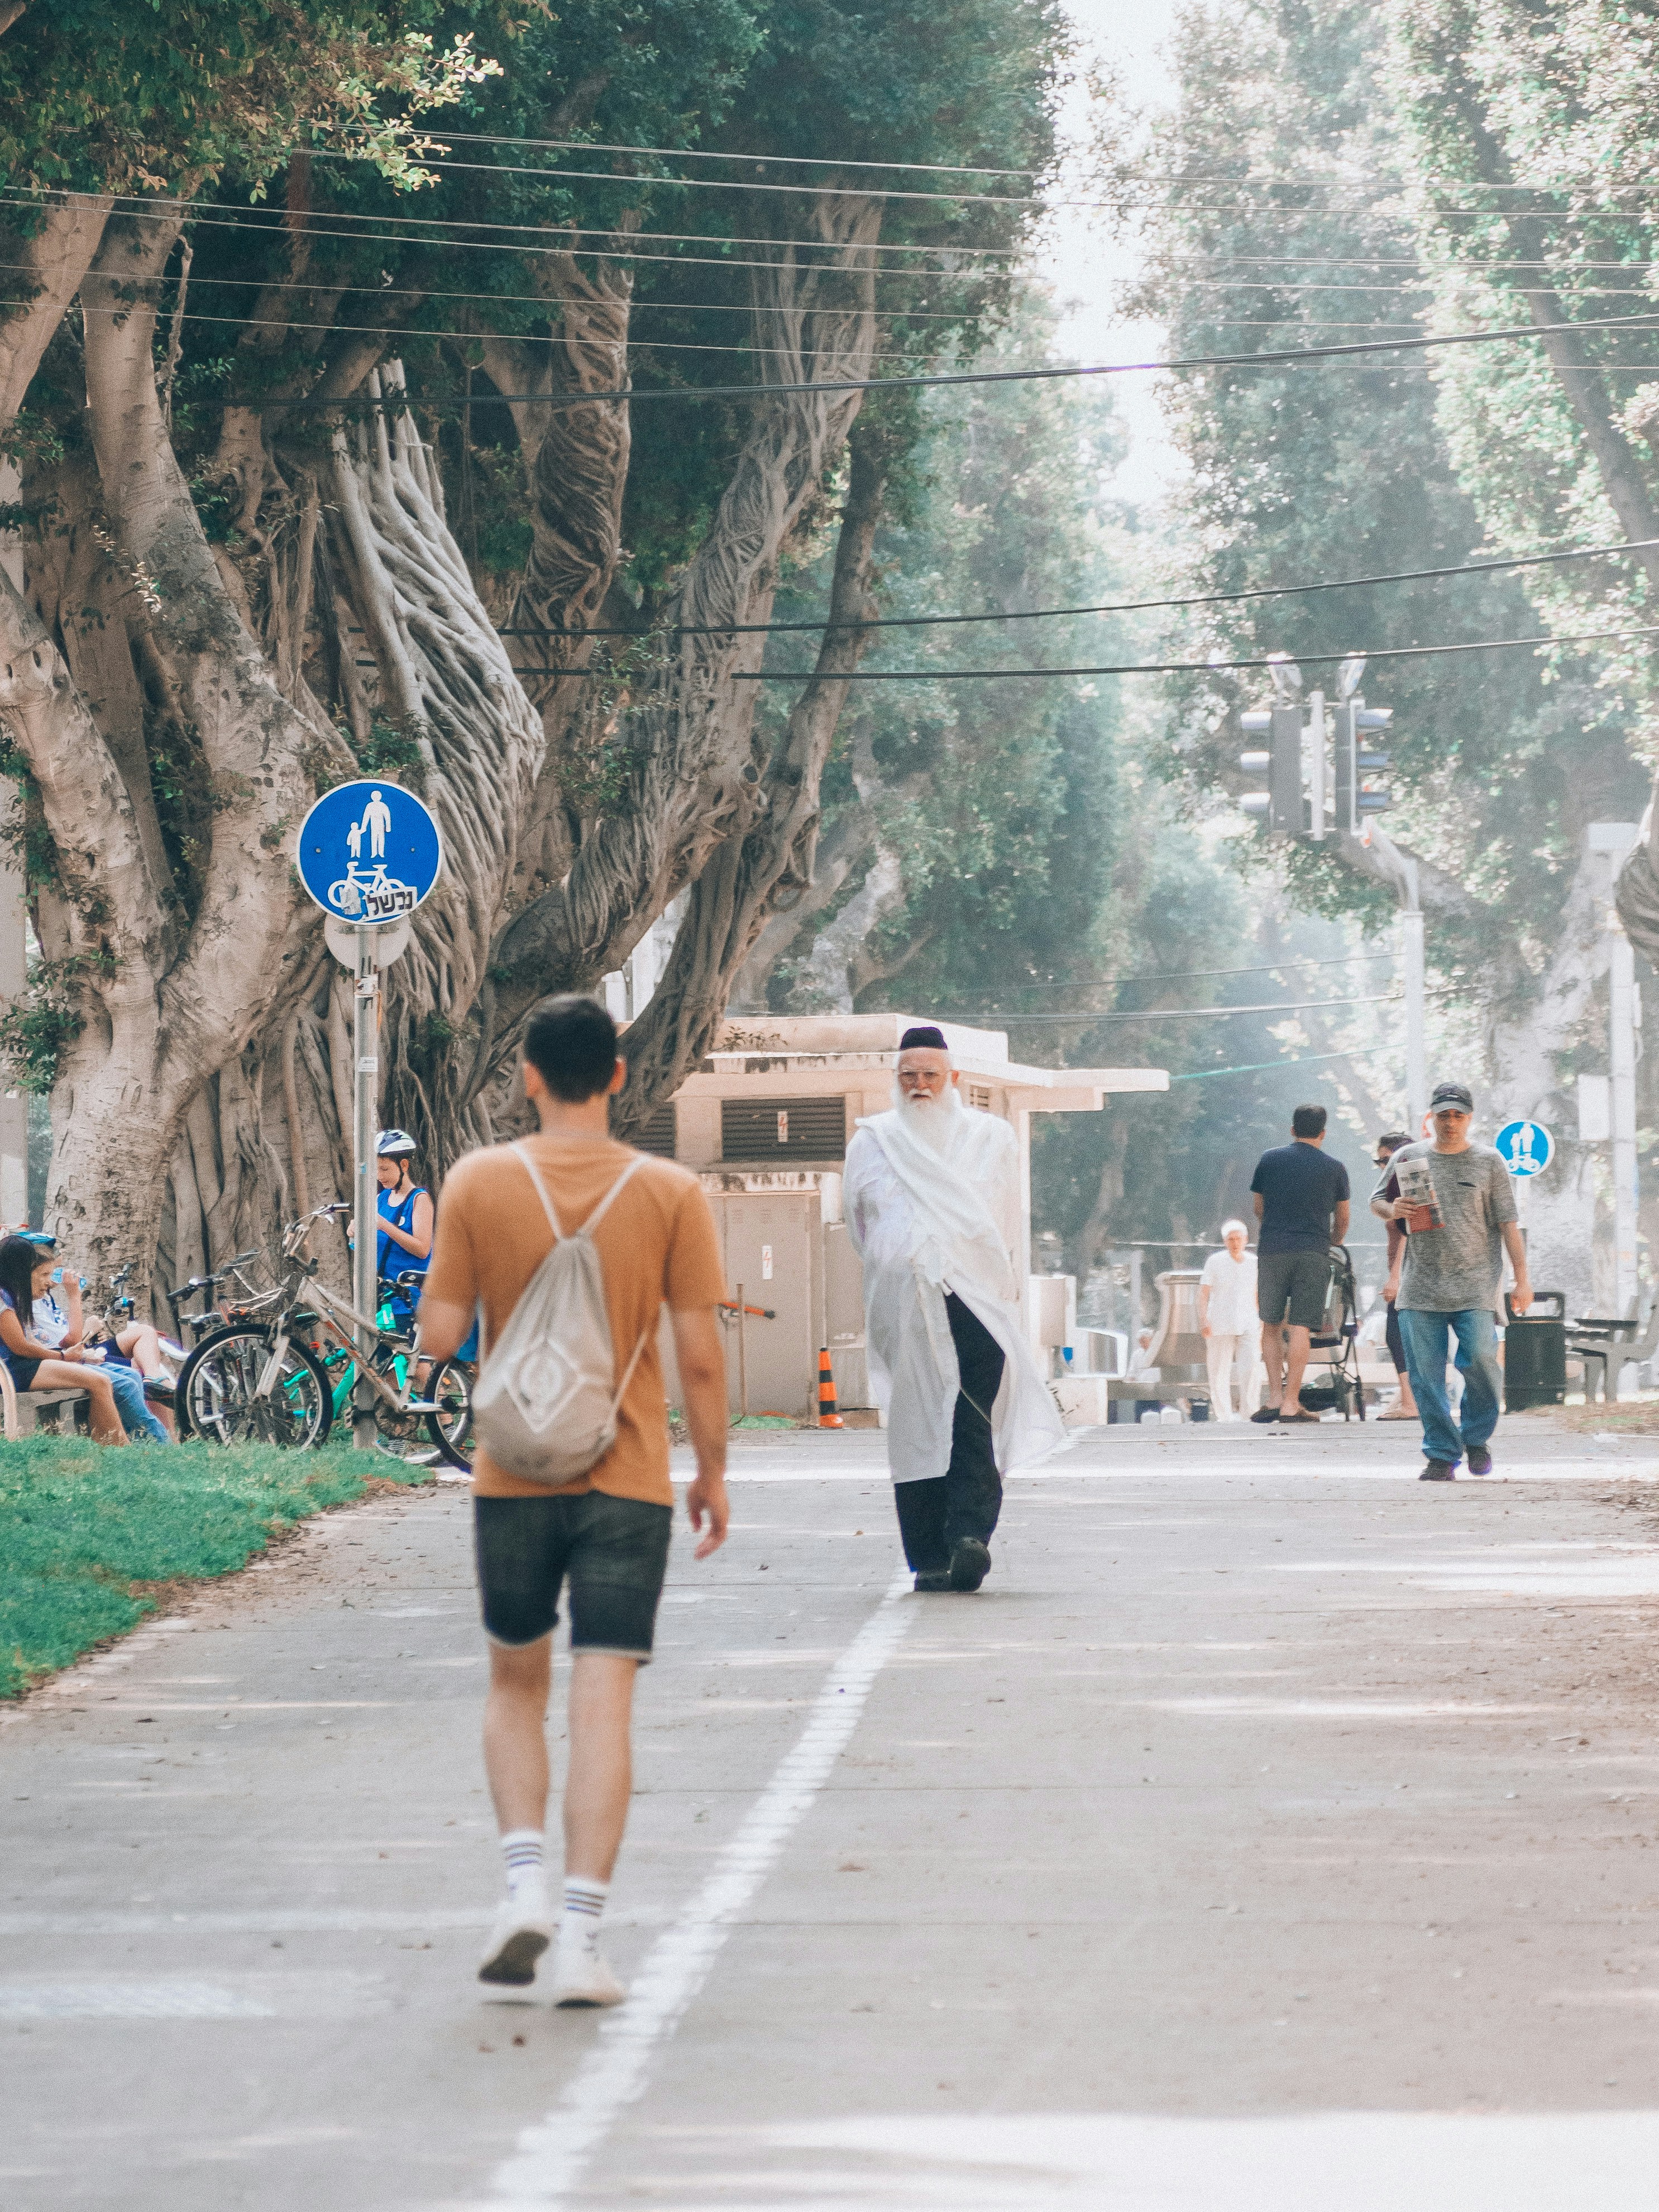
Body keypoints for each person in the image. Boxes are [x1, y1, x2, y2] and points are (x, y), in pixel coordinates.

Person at [417, 994, 730, 2005]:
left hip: (511, 1473)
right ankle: (584, 1939)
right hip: (626, 1479)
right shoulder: (671, 1191)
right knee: (604, 1700)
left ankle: (522, 1888)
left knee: (515, 1684)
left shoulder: (478, 1181)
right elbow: (698, 1356)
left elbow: (437, 1333)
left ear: (528, 1076)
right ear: (621, 1076)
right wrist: (712, 1473)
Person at [843, 1024, 1063, 1594]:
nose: (919, 1086)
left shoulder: (991, 1137)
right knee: (917, 1426)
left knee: (970, 1417)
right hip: (904, 1305)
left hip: (974, 1299)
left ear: (953, 1079)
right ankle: (929, 1557)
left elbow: (1005, 1222)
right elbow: (859, 1226)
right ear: (896, 1080)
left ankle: (969, 1536)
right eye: (908, 1076)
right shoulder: (872, 1139)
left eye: (929, 1076)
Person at [1370, 1079, 1532, 1480]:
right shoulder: (1408, 1156)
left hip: (1476, 1284)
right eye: (1443, 1114)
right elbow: (1376, 1200)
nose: (1450, 1121)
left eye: (1457, 1114)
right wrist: (1394, 1209)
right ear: (1432, 1117)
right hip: (1420, 1285)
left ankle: (1475, 1438)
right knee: (1425, 1376)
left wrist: (1522, 1279)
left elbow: (1508, 1224)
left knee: (1479, 1359)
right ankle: (1442, 1453)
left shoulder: (1489, 1161)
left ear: (1469, 1118)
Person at [1249, 1103, 1351, 1425]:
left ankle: (1274, 1398)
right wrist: (1333, 1239)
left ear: (1292, 1129)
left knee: (1270, 1325)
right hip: (1313, 1252)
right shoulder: (1335, 1168)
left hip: (1273, 1250)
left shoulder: (1270, 1159)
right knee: (1300, 1328)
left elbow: (1259, 1207)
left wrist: (1277, 1227)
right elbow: (1344, 1217)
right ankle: (1292, 1404)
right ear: (1323, 1132)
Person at [0, 1235, 127, 1443]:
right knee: (99, 1381)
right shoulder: (2, 1298)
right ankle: (119, 1448)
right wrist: (62, 1356)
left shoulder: (15, 1296)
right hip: (10, 1370)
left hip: (25, 1365)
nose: (47, 1280)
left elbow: (30, 1342)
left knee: (100, 1382)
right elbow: (20, 1347)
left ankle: (113, 1446)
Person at [1372, 1131, 1419, 1421]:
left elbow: (1406, 1232)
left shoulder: (1406, 1182)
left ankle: (1410, 1403)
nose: (1381, 1166)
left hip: (1408, 1271)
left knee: (1397, 1334)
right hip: (1409, 1270)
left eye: (1385, 1159)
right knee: (1408, 1335)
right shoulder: (1396, 1184)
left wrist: (1395, 1277)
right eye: (1378, 1161)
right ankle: (1408, 1398)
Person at [1199, 1219, 1260, 1420]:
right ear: (1225, 1241)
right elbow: (1204, 1293)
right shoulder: (1215, 1262)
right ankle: (1224, 1416)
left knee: (1251, 1369)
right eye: (1230, 1239)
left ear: (1246, 1240)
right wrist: (1203, 1320)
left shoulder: (1254, 1262)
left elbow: (1258, 1293)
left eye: (1238, 1239)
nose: (1235, 1243)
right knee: (1218, 1372)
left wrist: (1262, 1321)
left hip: (1249, 1322)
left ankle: (1250, 1412)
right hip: (1219, 1323)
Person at [375, 1130, 434, 1326]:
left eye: (384, 1170)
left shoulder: (419, 1200)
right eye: (376, 1170)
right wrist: (354, 1237)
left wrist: (385, 1226)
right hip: (381, 1302)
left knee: (403, 1356)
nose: (379, 1176)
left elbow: (422, 1249)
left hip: (408, 1303)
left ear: (404, 1165)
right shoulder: (381, 1199)